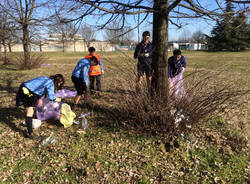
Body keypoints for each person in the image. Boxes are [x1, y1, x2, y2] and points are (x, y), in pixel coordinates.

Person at [16, 74, 65, 139]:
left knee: (30, 108)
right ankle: (30, 133)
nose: (59, 85)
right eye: (59, 83)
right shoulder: (50, 83)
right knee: (30, 111)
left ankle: (29, 125)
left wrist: (39, 98)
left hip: (23, 87)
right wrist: (58, 99)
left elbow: (38, 87)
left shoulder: (45, 78)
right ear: (57, 81)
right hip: (28, 91)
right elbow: (51, 97)